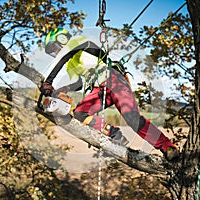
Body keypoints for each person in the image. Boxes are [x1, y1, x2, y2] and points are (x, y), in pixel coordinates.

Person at [40, 28, 179, 161]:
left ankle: (167, 147)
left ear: (62, 39)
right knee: (80, 113)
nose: (56, 52)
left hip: (113, 79)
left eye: (54, 48)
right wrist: (64, 88)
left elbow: (94, 52)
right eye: (52, 51)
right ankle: (115, 135)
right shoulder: (70, 64)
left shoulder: (77, 42)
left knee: (132, 118)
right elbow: (80, 83)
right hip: (99, 88)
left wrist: (49, 81)